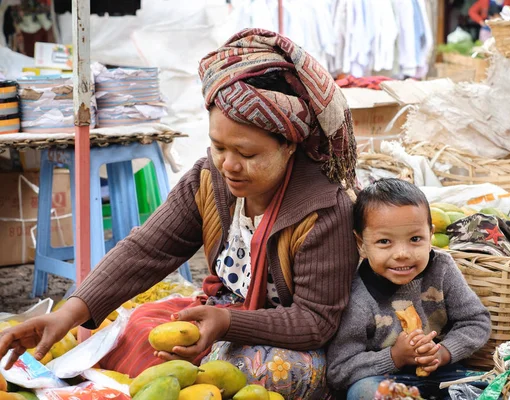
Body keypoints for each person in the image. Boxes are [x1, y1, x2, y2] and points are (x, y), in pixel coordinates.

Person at [0, 28, 359, 398]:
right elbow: (147, 250)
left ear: (289, 146)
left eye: (247, 154)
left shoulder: (324, 209)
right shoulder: (208, 178)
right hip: (221, 312)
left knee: (269, 373)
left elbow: (316, 321)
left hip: (291, 337)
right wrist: (67, 314)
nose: (228, 165)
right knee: (135, 328)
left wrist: (226, 322)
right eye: (218, 146)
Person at [326, 178, 491, 399]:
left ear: (430, 235)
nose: (402, 253)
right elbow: (339, 370)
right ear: (361, 244)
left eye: (415, 239)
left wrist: (442, 353)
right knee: (364, 392)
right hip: (388, 380)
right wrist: (394, 357)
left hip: (444, 374)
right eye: (384, 241)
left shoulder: (442, 269)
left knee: (493, 384)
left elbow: (476, 321)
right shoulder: (358, 296)